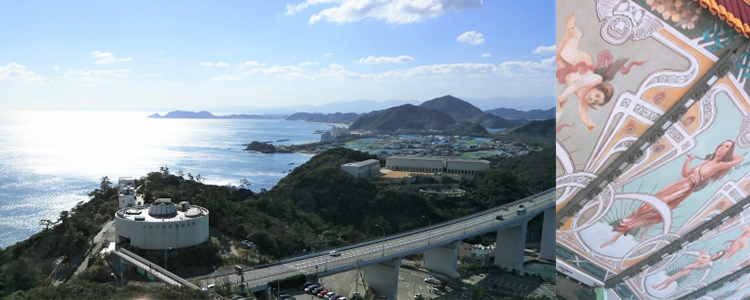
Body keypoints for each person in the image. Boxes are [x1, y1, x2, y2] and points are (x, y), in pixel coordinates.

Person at [601, 140, 743, 248]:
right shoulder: (705, 161)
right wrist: (688, 160)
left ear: (729, 152)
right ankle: (631, 233)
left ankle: (618, 237)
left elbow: (740, 160)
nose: (722, 148)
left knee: (654, 209)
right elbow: (685, 173)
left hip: (685, 188)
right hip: (678, 184)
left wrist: (732, 150)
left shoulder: (718, 165)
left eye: (727, 147)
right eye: (722, 145)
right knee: (649, 207)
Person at [556, 13, 644, 131]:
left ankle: (570, 31)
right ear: (597, 88)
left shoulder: (583, 98)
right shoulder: (595, 80)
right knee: (566, 54)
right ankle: (576, 35)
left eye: (596, 102)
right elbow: (576, 85)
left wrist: (589, 123)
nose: (593, 99)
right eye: (597, 96)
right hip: (581, 64)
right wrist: (564, 95)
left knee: (559, 57)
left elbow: (583, 112)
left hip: (569, 71)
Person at [651, 250, 725, 290]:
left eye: (717, 255)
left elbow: (698, 259)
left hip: (688, 269)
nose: (715, 255)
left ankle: (657, 286)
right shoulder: (708, 258)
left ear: (717, 258)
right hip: (687, 268)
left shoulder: (708, 261)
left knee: (672, 277)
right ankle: (665, 287)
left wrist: (702, 254)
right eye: (717, 253)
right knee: (674, 278)